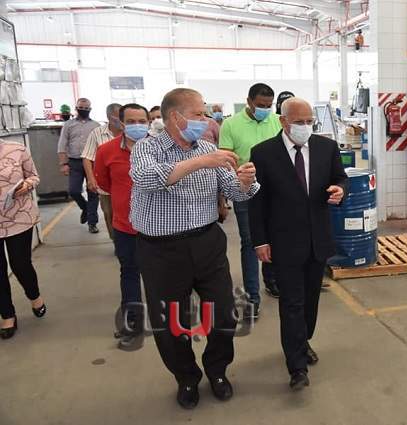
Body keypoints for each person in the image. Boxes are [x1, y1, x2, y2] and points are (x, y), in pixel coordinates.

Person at [130, 88, 258, 409]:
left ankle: (217, 370)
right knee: (170, 321)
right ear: (176, 117)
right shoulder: (148, 148)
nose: (206, 119)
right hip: (161, 250)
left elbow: (235, 192)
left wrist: (245, 181)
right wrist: (200, 162)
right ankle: (186, 377)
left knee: (223, 313)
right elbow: (147, 179)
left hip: (207, 243)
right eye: (199, 114)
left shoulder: (208, 148)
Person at [249, 97, 347, 390]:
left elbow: (340, 178)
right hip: (284, 241)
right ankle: (296, 367)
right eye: (299, 122)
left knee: (310, 301)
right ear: (283, 121)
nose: (305, 127)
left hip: (318, 239)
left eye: (309, 122)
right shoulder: (263, 153)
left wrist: (340, 190)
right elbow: (257, 202)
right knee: (292, 302)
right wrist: (260, 241)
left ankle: (303, 341)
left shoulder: (326, 148)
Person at [219, 83, 282, 315]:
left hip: (274, 190)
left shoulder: (277, 121)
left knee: (274, 238)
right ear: (249, 101)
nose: (265, 109)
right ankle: (252, 298)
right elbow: (226, 161)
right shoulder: (231, 125)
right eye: (260, 105)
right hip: (244, 190)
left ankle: (272, 280)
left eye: (269, 105)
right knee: (251, 242)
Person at [94, 103, 148, 351]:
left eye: (142, 121)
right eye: (132, 121)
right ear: (121, 123)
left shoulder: (160, 149)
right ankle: (133, 323)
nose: (137, 126)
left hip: (157, 227)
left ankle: (167, 321)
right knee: (129, 273)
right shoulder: (106, 151)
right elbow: (104, 182)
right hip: (126, 226)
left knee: (162, 276)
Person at [0, 141, 47, 340]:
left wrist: (27, 185)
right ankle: (7, 315)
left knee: (20, 265)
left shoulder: (16, 149)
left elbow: (34, 176)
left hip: (18, 217)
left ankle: (34, 295)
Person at [57, 98, 101, 233]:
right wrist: (63, 163)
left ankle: (92, 223)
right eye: (81, 108)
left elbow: (100, 144)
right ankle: (85, 208)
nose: (84, 110)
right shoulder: (68, 125)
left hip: (92, 162)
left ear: (90, 109)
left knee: (93, 192)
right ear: (76, 108)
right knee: (74, 191)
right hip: (74, 162)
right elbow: (62, 144)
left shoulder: (96, 125)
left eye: (87, 108)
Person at [81, 103, 122, 239]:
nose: (121, 120)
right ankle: (116, 242)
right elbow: (87, 157)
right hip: (106, 185)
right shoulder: (97, 133)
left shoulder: (129, 132)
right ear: (109, 117)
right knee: (110, 214)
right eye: (118, 117)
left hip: (127, 183)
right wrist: (91, 179)